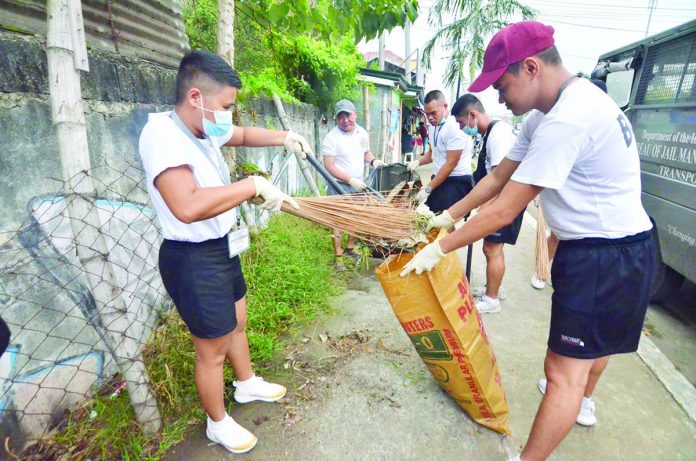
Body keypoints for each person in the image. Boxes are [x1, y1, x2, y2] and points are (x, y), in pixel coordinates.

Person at [403, 21, 655, 461]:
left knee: (561, 375)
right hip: (624, 245)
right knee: (595, 347)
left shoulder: (567, 120)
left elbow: (505, 208)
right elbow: (499, 177)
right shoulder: (551, 111)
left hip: (602, 255)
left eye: (502, 85)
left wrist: (438, 248)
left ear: (532, 68)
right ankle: (584, 400)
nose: (498, 98)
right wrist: (447, 215)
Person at [139, 50, 312, 454]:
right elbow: (188, 205)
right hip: (192, 258)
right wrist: (251, 186)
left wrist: (285, 138)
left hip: (220, 246)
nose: (229, 116)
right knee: (211, 349)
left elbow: (243, 135)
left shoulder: (202, 125)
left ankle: (247, 383)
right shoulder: (162, 136)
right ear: (196, 96)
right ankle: (217, 422)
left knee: (237, 321)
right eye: (227, 106)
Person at [531, 77, 607, 290]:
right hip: (562, 198)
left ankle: (550, 270)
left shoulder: (602, 127)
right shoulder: (565, 122)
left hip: (589, 220)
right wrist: (538, 195)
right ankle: (541, 269)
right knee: (556, 236)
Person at [451, 94, 521, 313]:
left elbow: (499, 178)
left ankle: (491, 301)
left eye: (462, 123)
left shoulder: (498, 134)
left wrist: (484, 210)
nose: (463, 129)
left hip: (506, 201)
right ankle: (494, 287)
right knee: (493, 248)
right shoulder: (489, 133)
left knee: (492, 248)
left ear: (473, 115)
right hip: (502, 201)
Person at [322, 99, 384, 270]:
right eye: (341, 117)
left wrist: (373, 161)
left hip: (359, 184)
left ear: (355, 114)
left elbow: (366, 152)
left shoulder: (362, 133)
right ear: (336, 119)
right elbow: (329, 165)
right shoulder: (331, 138)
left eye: (348, 115)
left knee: (356, 216)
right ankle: (338, 257)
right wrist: (349, 179)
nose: (345, 120)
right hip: (339, 185)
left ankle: (350, 247)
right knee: (338, 222)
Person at [407, 90, 474, 213]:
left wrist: (428, 189)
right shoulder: (433, 126)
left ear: (445, 106)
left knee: (444, 222)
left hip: (455, 182)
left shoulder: (454, 126)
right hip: (439, 178)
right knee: (431, 216)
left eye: (433, 113)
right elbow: (432, 154)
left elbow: (450, 164)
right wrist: (417, 162)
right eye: (427, 114)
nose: (430, 118)